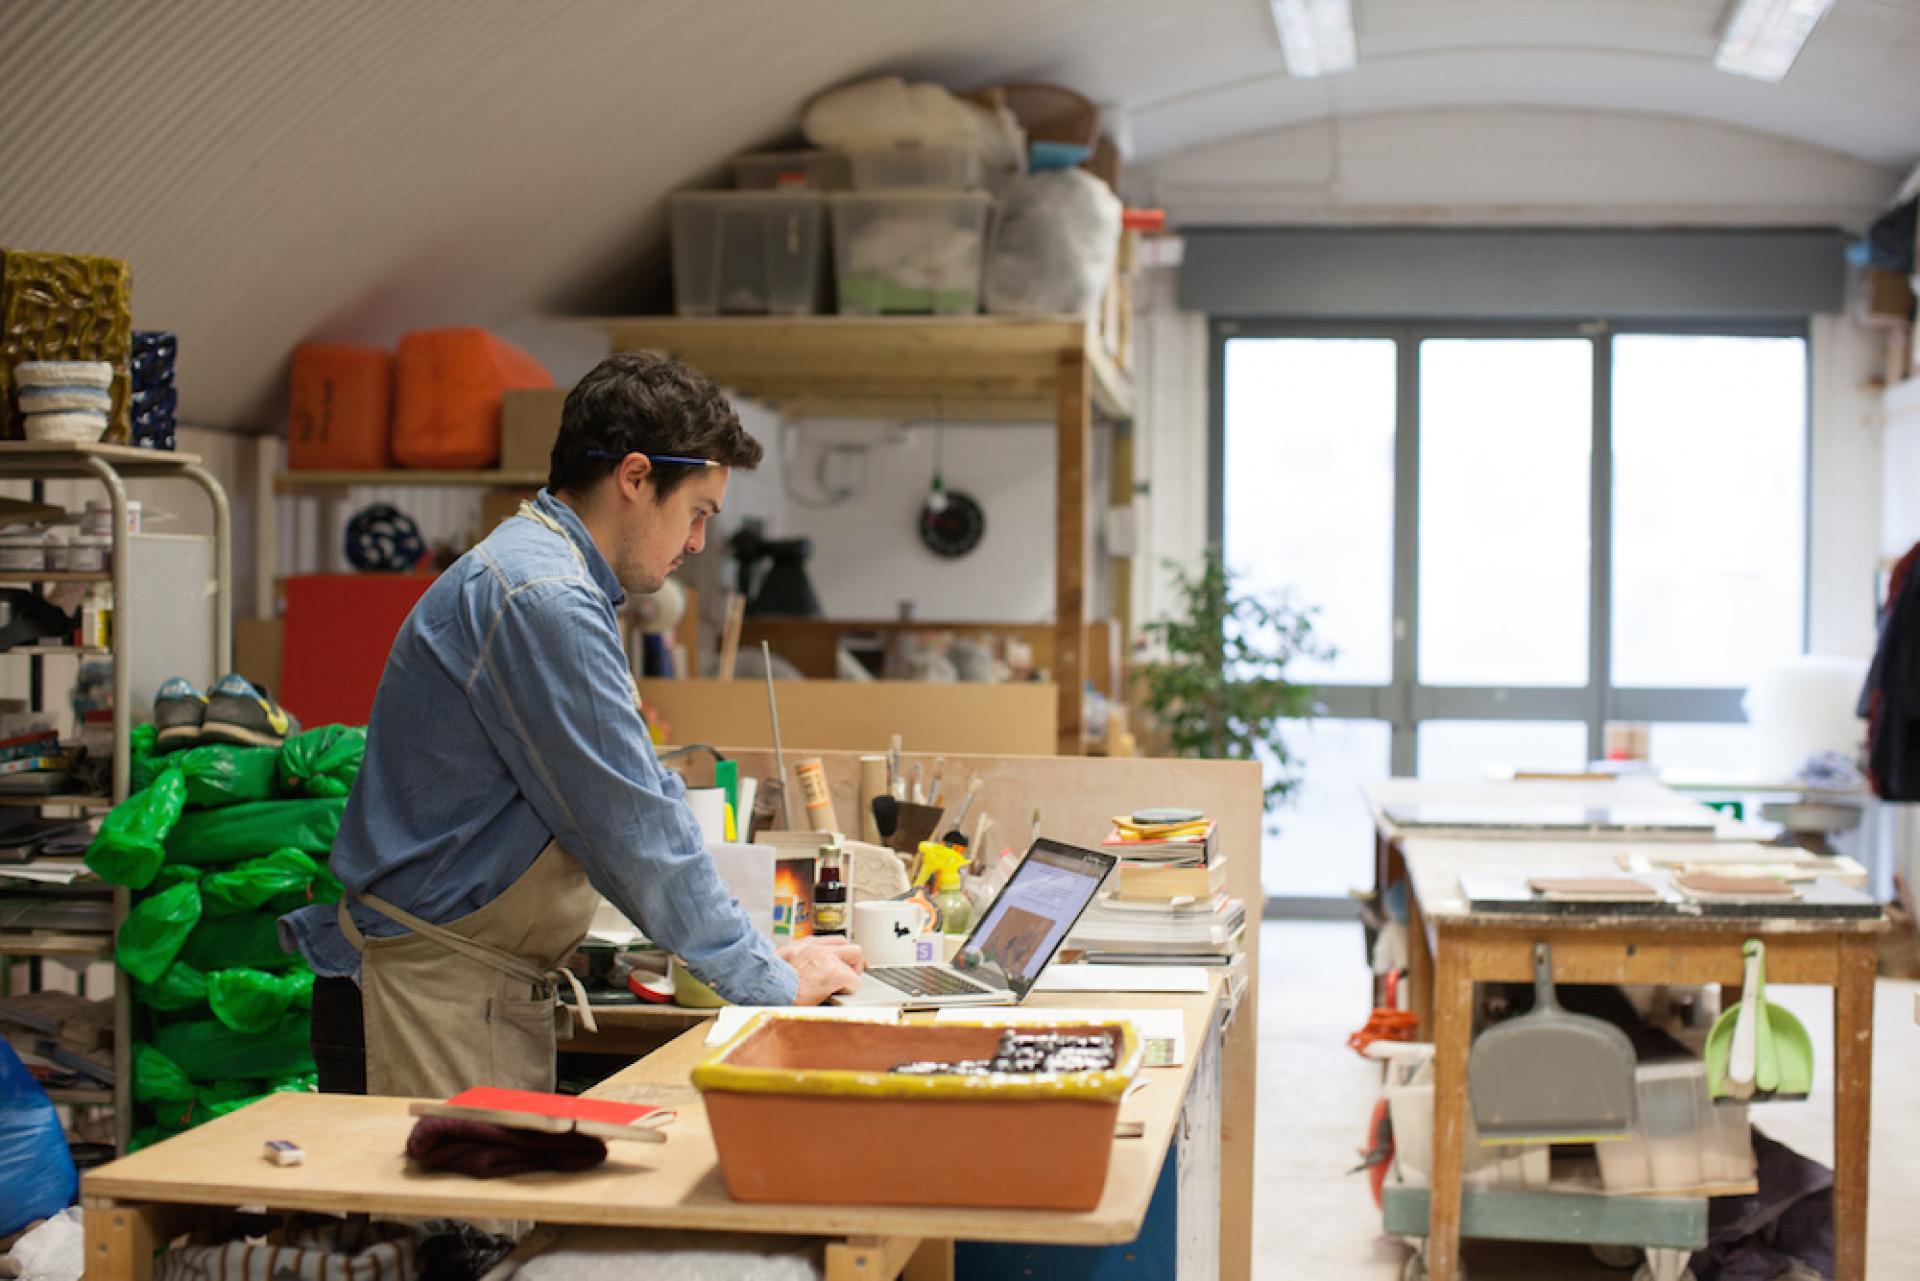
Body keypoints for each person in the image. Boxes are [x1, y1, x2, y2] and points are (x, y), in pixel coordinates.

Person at [281, 351, 865, 1097]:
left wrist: (757, 953)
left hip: (459, 986)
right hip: (425, 998)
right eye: (698, 513)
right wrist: (769, 984)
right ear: (634, 478)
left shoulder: (551, 576)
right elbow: (632, 830)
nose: (696, 544)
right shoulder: (542, 596)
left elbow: (640, 789)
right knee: (456, 1217)